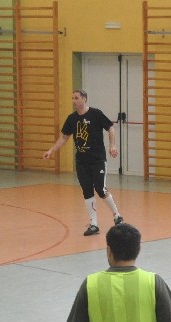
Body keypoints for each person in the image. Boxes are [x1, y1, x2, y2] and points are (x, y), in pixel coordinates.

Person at [44, 89, 123, 236]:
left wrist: (112, 145)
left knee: (100, 189)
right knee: (87, 191)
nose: (73, 101)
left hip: (97, 160)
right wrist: (51, 150)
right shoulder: (72, 119)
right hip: (82, 161)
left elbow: (110, 128)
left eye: (76, 98)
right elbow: (64, 137)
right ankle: (94, 224)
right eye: (72, 98)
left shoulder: (95, 114)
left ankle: (117, 216)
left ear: (84, 99)